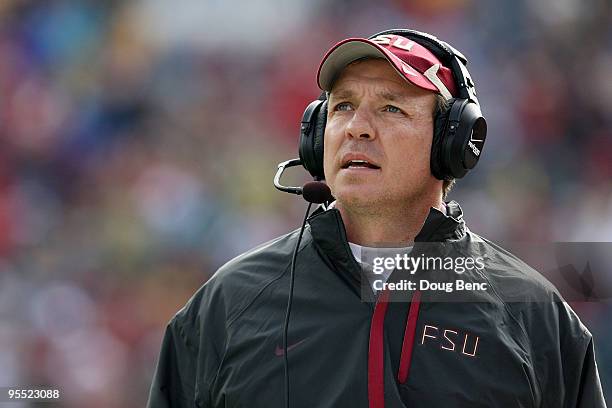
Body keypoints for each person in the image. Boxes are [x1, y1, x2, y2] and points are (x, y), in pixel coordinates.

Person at [147, 29, 607, 408]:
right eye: (343, 105)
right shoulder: (229, 304)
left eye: (391, 107)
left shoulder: (534, 317)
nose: (357, 127)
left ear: (453, 141)